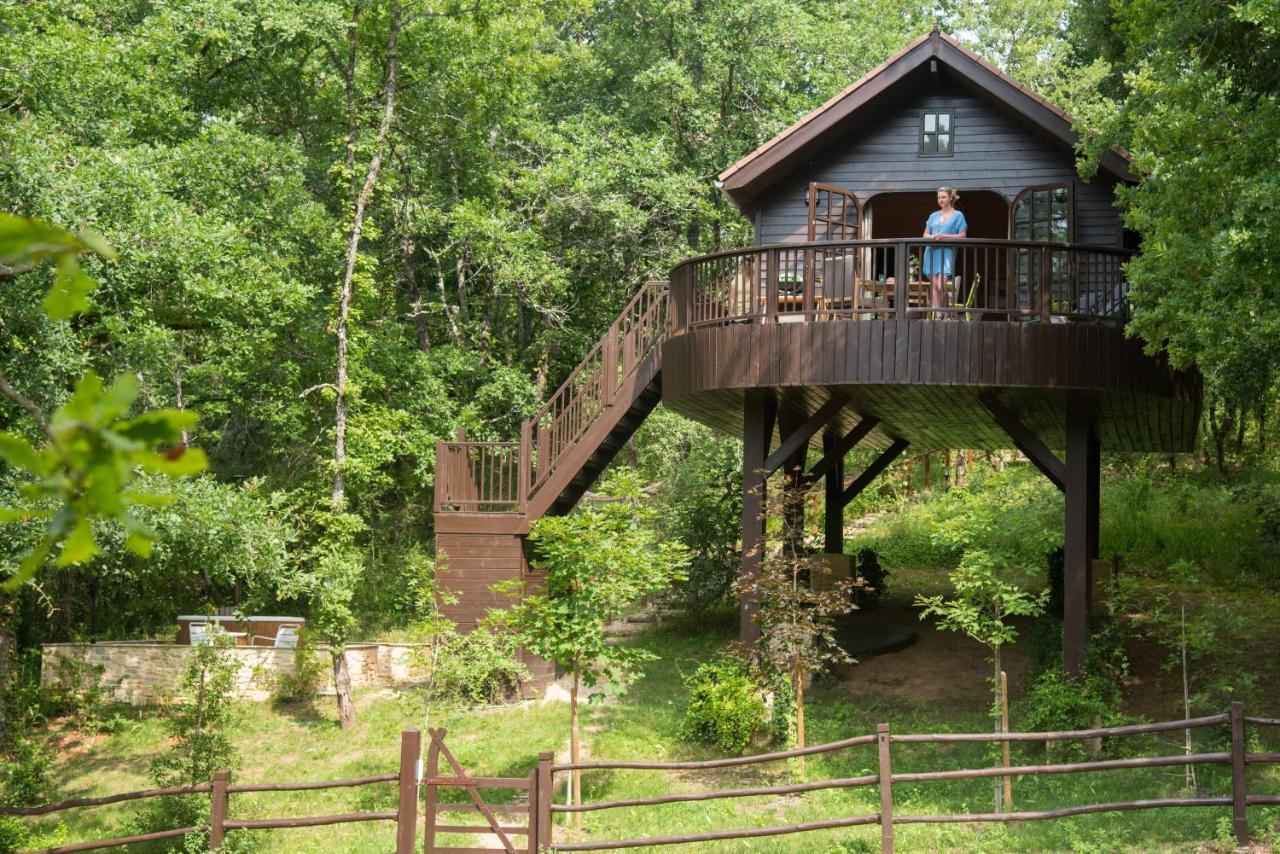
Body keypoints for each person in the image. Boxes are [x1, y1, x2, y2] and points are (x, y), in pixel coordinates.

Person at [922, 186, 967, 314]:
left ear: (950, 198)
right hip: (931, 252)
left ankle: (945, 308)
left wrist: (945, 236)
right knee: (934, 286)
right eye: (938, 197)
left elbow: (963, 236)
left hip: (947, 253)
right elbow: (925, 234)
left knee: (941, 286)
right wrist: (933, 236)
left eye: (943, 197)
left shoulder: (958, 215)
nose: (940, 200)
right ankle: (939, 314)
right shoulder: (933, 216)